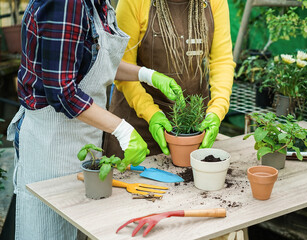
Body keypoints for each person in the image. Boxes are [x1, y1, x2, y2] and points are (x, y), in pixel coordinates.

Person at [6, 0, 182, 239]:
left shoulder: (96, 5)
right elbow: (61, 91)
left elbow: (92, 61)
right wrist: (121, 128)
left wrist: (146, 75)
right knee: (47, 229)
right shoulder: (65, 4)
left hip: (83, 134)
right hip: (51, 143)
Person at [103, 0, 236, 158]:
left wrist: (217, 110)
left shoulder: (215, 2)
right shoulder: (134, 2)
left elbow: (222, 62)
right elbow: (121, 66)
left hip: (192, 130)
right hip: (136, 132)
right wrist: (150, 113)